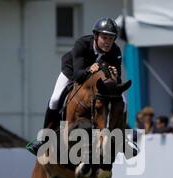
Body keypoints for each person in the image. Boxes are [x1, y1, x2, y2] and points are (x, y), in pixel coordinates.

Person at [26, 17, 123, 155]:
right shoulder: (82, 44)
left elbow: (117, 78)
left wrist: (115, 75)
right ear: (96, 35)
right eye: (104, 37)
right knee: (55, 99)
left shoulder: (115, 51)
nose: (108, 42)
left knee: (122, 99)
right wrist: (90, 70)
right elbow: (78, 75)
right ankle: (44, 139)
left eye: (111, 38)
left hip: (97, 81)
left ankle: (123, 135)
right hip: (72, 71)